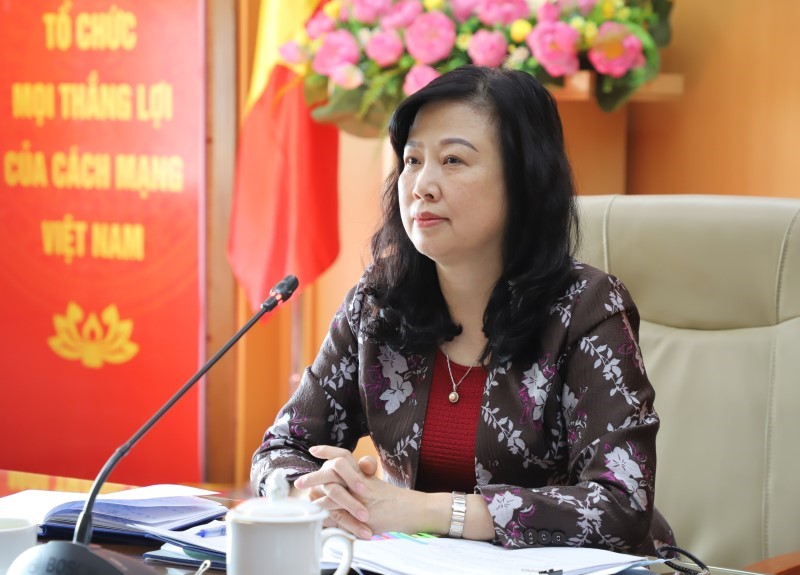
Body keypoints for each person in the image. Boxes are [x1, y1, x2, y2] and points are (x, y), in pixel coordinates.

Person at [251, 65, 674, 554]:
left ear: (524, 179)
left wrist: (430, 511)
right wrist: (321, 493)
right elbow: (280, 449)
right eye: (412, 160)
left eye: (453, 160)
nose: (421, 185)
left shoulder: (587, 308)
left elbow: (620, 506)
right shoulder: (378, 304)